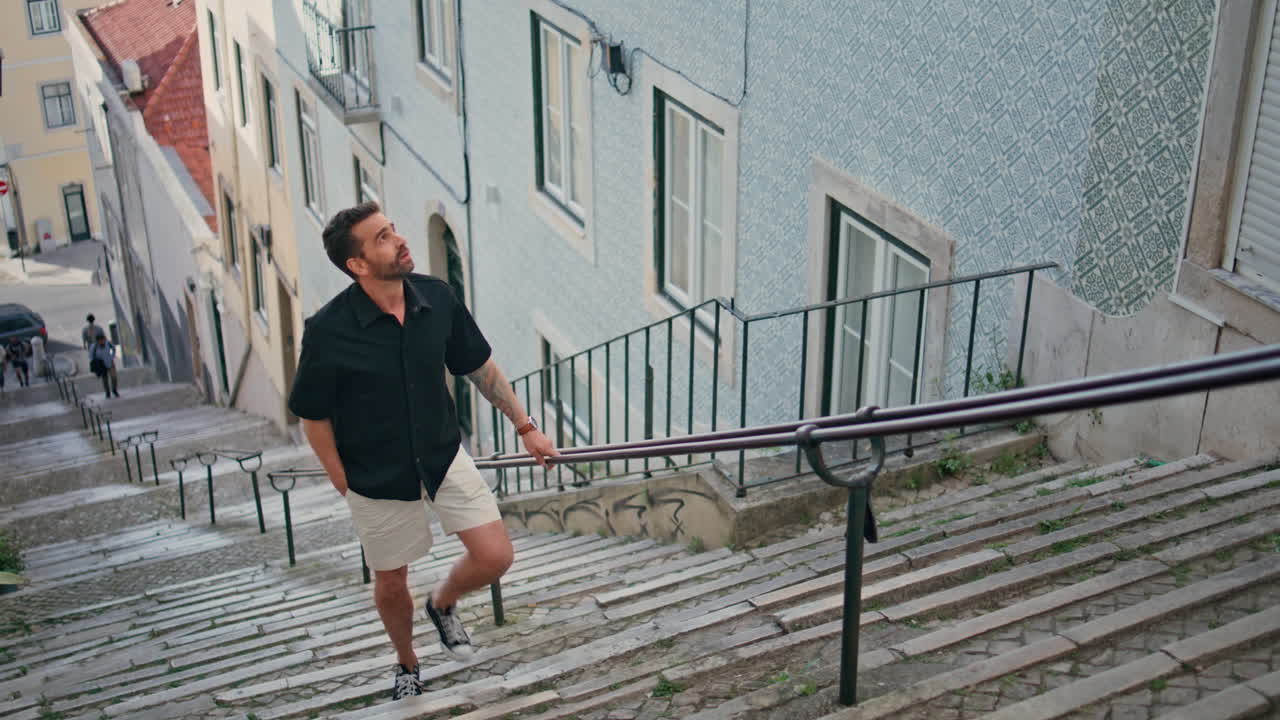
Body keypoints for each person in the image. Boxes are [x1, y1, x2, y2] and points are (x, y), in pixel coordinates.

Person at [288, 202, 558, 702]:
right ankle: (407, 661)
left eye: (392, 229)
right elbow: (313, 415)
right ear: (358, 264)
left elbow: (479, 367)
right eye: (383, 238)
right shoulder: (327, 331)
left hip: (441, 453)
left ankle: (443, 602)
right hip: (375, 475)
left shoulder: (436, 296)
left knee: (496, 556)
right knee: (392, 582)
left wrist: (526, 427)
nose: (401, 239)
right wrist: (342, 481)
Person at [89, 332, 120, 398]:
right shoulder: (94, 347)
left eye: (103, 340)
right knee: (105, 379)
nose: (102, 342)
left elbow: (114, 349)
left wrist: (112, 356)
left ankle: (114, 390)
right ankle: (107, 392)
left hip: (110, 362)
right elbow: (91, 356)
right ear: (97, 341)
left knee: (114, 377)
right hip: (101, 365)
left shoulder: (108, 343)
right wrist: (95, 364)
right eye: (100, 340)